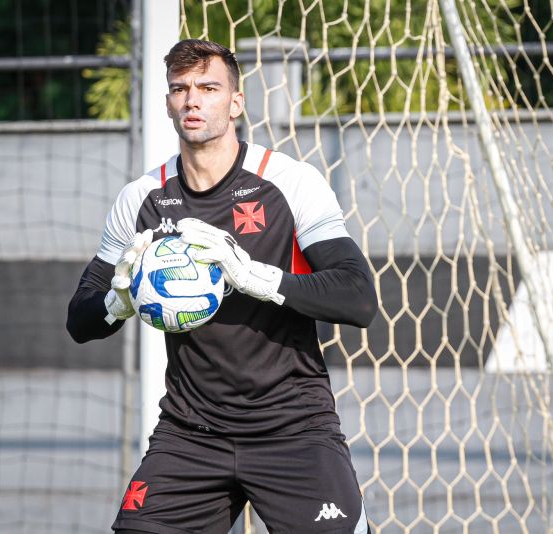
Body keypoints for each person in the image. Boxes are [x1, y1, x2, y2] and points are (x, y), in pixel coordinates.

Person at [67, 38, 377, 534]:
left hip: (293, 429)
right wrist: (118, 301)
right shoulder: (141, 199)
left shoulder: (289, 182)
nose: (193, 100)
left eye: (209, 87)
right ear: (168, 102)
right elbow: (79, 321)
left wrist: (254, 277)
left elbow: (358, 297)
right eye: (180, 88)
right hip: (191, 433)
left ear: (236, 102)